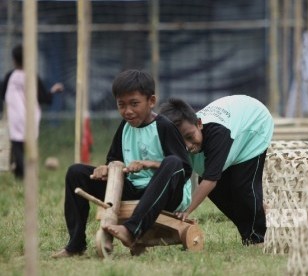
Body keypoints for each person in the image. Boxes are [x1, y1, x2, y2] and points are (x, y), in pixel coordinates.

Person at [52, 69, 192, 258]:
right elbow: (114, 159)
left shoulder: (164, 127)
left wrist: (148, 164)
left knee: (173, 162)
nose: (128, 111)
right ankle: (75, 245)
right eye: (121, 105)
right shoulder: (125, 127)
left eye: (134, 104)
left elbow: (184, 169)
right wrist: (107, 168)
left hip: (167, 194)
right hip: (134, 188)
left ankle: (131, 230)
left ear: (151, 101)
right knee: (76, 172)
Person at [159, 95, 274, 245]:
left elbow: (210, 180)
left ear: (199, 124)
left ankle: (256, 238)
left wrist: (186, 210)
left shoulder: (217, 133)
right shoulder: (176, 141)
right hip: (234, 128)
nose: (188, 146)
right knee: (216, 190)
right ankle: (257, 215)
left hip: (254, 127)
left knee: (243, 186)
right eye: (181, 142)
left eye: (190, 137)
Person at [0, 44, 64, 179]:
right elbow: (43, 98)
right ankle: (24, 171)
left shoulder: (10, 76)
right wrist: (53, 91)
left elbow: (3, 94)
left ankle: (21, 173)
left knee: (17, 146)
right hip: (30, 118)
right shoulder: (32, 77)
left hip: (15, 117)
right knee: (29, 147)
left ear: (14, 60)